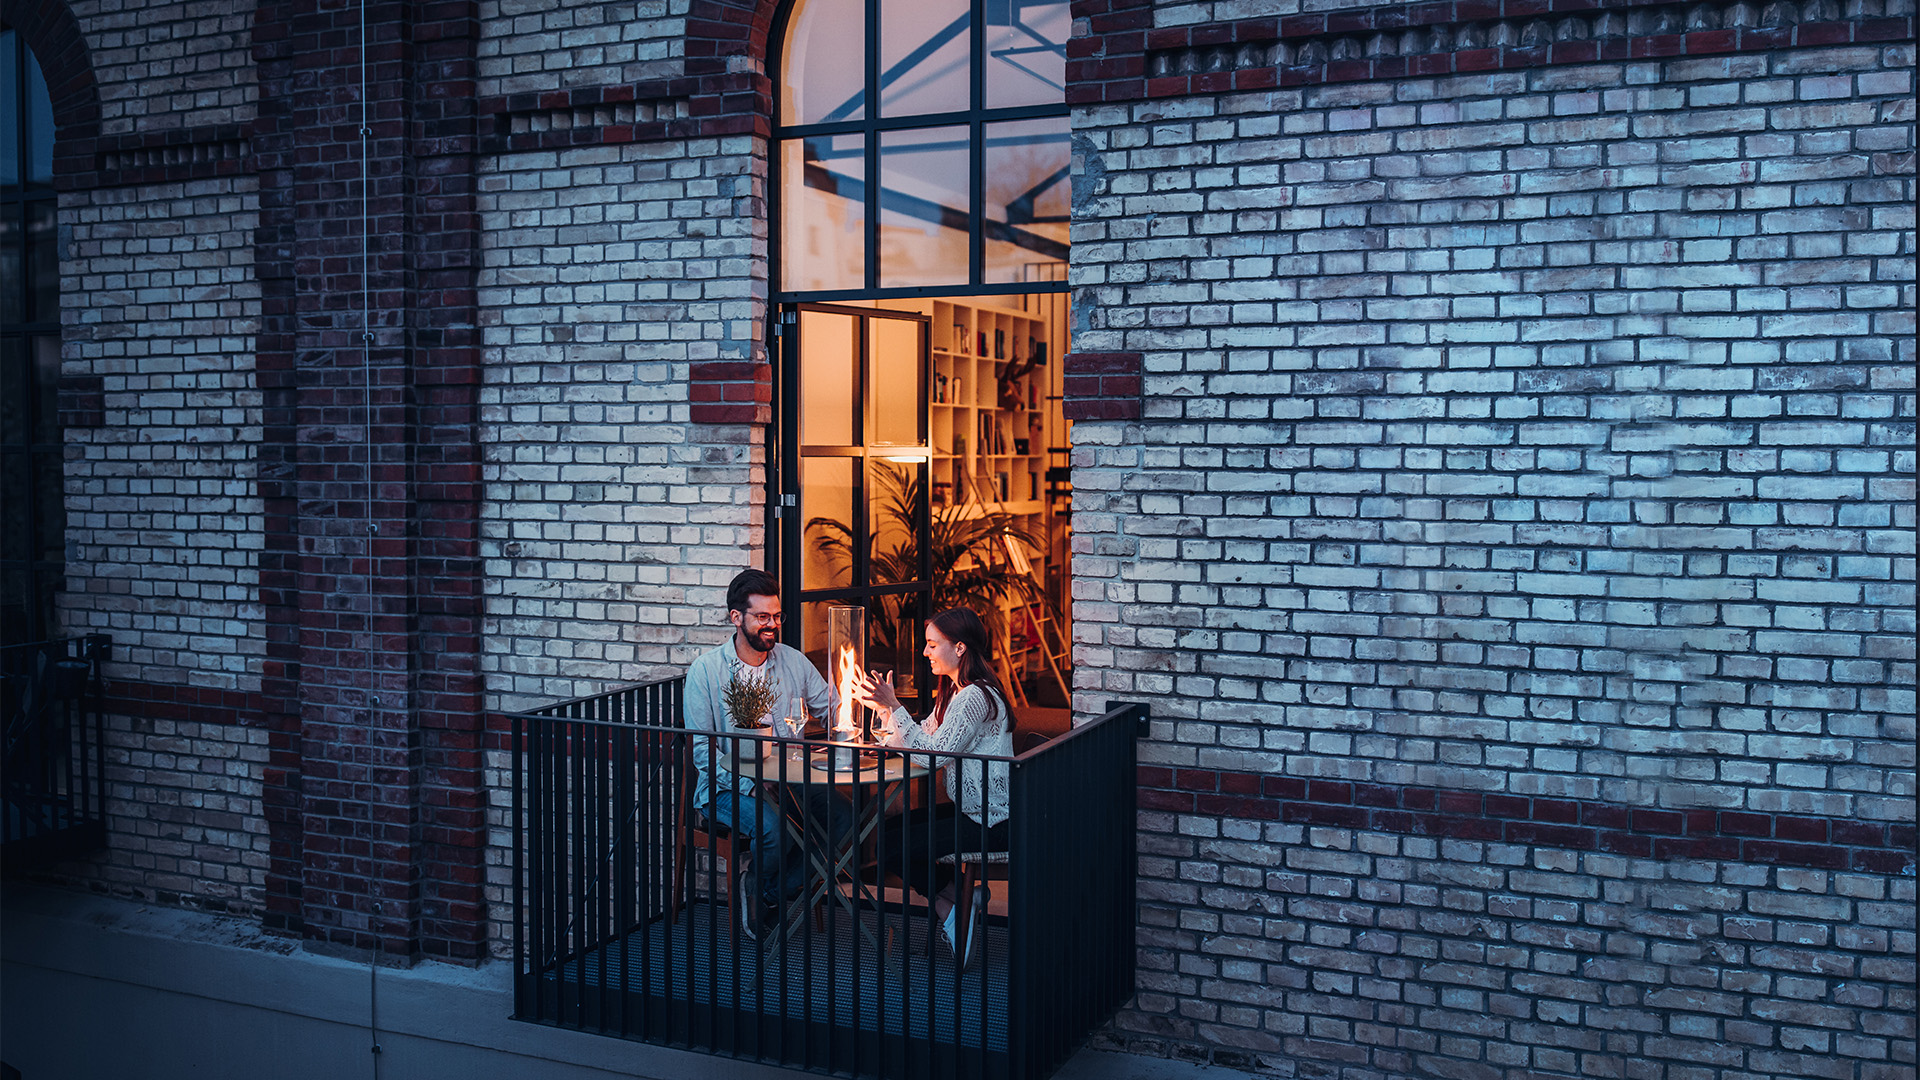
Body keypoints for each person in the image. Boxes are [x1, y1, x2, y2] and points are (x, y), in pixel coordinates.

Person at [684, 568, 850, 941]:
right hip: (727, 787)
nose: (772, 625)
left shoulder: (792, 661)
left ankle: (768, 891)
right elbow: (702, 753)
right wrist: (752, 786)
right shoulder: (706, 672)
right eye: (762, 617)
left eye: (777, 616)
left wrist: (862, 710)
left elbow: (835, 708)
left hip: (791, 779)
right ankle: (763, 888)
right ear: (736, 618)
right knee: (776, 830)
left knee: (846, 821)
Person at [852, 607, 1013, 969]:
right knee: (891, 831)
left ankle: (949, 908)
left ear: (959, 648)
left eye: (931, 645)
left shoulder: (974, 697)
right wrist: (884, 710)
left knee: (892, 845)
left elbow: (932, 755)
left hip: (992, 821)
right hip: (973, 811)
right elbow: (921, 734)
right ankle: (960, 900)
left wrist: (894, 705)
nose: (925, 652)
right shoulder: (956, 693)